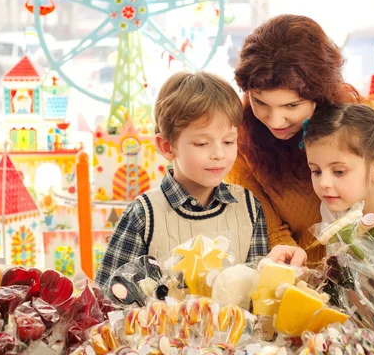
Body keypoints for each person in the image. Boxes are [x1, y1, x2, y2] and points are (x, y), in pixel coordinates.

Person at [225, 14, 374, 266]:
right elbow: (268, 228)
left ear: (321, 94)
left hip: (373, 275)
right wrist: (302, 272)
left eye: (291, 105)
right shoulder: (239, 139)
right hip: (297, 279)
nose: (274, 120)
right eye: (259, 102)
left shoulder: (373, 122)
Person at [95, 71, 269, 293]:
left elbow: (259, 295)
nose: (219, 154)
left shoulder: (248, 207)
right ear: (167, 147)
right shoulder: (143, 215)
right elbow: (107, 302)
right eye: (202, 144)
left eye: (228, 141)